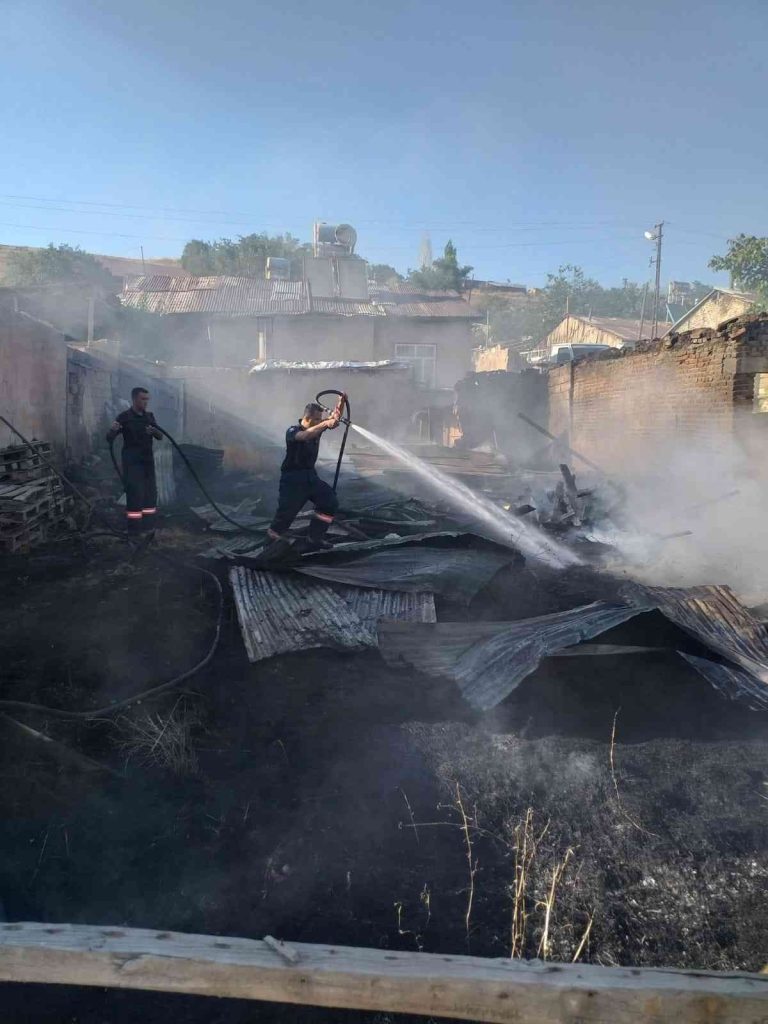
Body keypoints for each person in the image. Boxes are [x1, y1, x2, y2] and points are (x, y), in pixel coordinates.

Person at [268, 401, 342, 550]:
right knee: (285, 516)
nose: (319, 421)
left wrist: (340, 405)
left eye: (320, 419)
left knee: (329, 501)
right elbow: (305, 436)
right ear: (307, 418)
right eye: (316, 419)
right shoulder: (293, 430)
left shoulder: (316, 427)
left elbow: (330, 423)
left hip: (310, 476)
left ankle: (314, 539)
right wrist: (326, 423)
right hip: (292, 480)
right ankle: (270, 547)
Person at [106, 387, 163, 533]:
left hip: (147, 462)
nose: (145, 402)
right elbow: (109, 439)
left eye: (147, 399)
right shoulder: (124, 417)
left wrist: (154, 431)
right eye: (143, 399)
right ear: (134, 399)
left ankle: (149, 528)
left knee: (150, 494)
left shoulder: (149, 417)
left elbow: (160, 436)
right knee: (134, 495)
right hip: (132, 463)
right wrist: (113, 430)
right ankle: (134, 530)